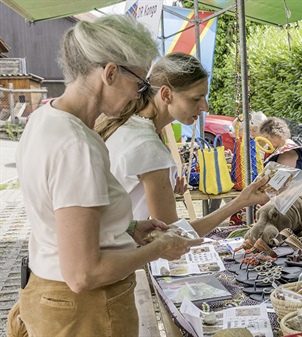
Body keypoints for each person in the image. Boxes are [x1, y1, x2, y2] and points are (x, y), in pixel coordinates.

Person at [10, 16, 207, 337]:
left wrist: (127, 227)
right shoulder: (77, 146)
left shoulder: (45, 118)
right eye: (140, 84)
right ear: (111, 73)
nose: (139, 95)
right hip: (84, 311)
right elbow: (84, 274)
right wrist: (159, 249)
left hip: (53, 295)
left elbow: (59, 216)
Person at [95, 52, 269, 236]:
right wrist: (239, 202)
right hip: (114, 253)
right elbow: (174, 235)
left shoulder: (125, 125)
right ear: (166, 94)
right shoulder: (149, 146)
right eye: (196, 98)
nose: (205, 107)